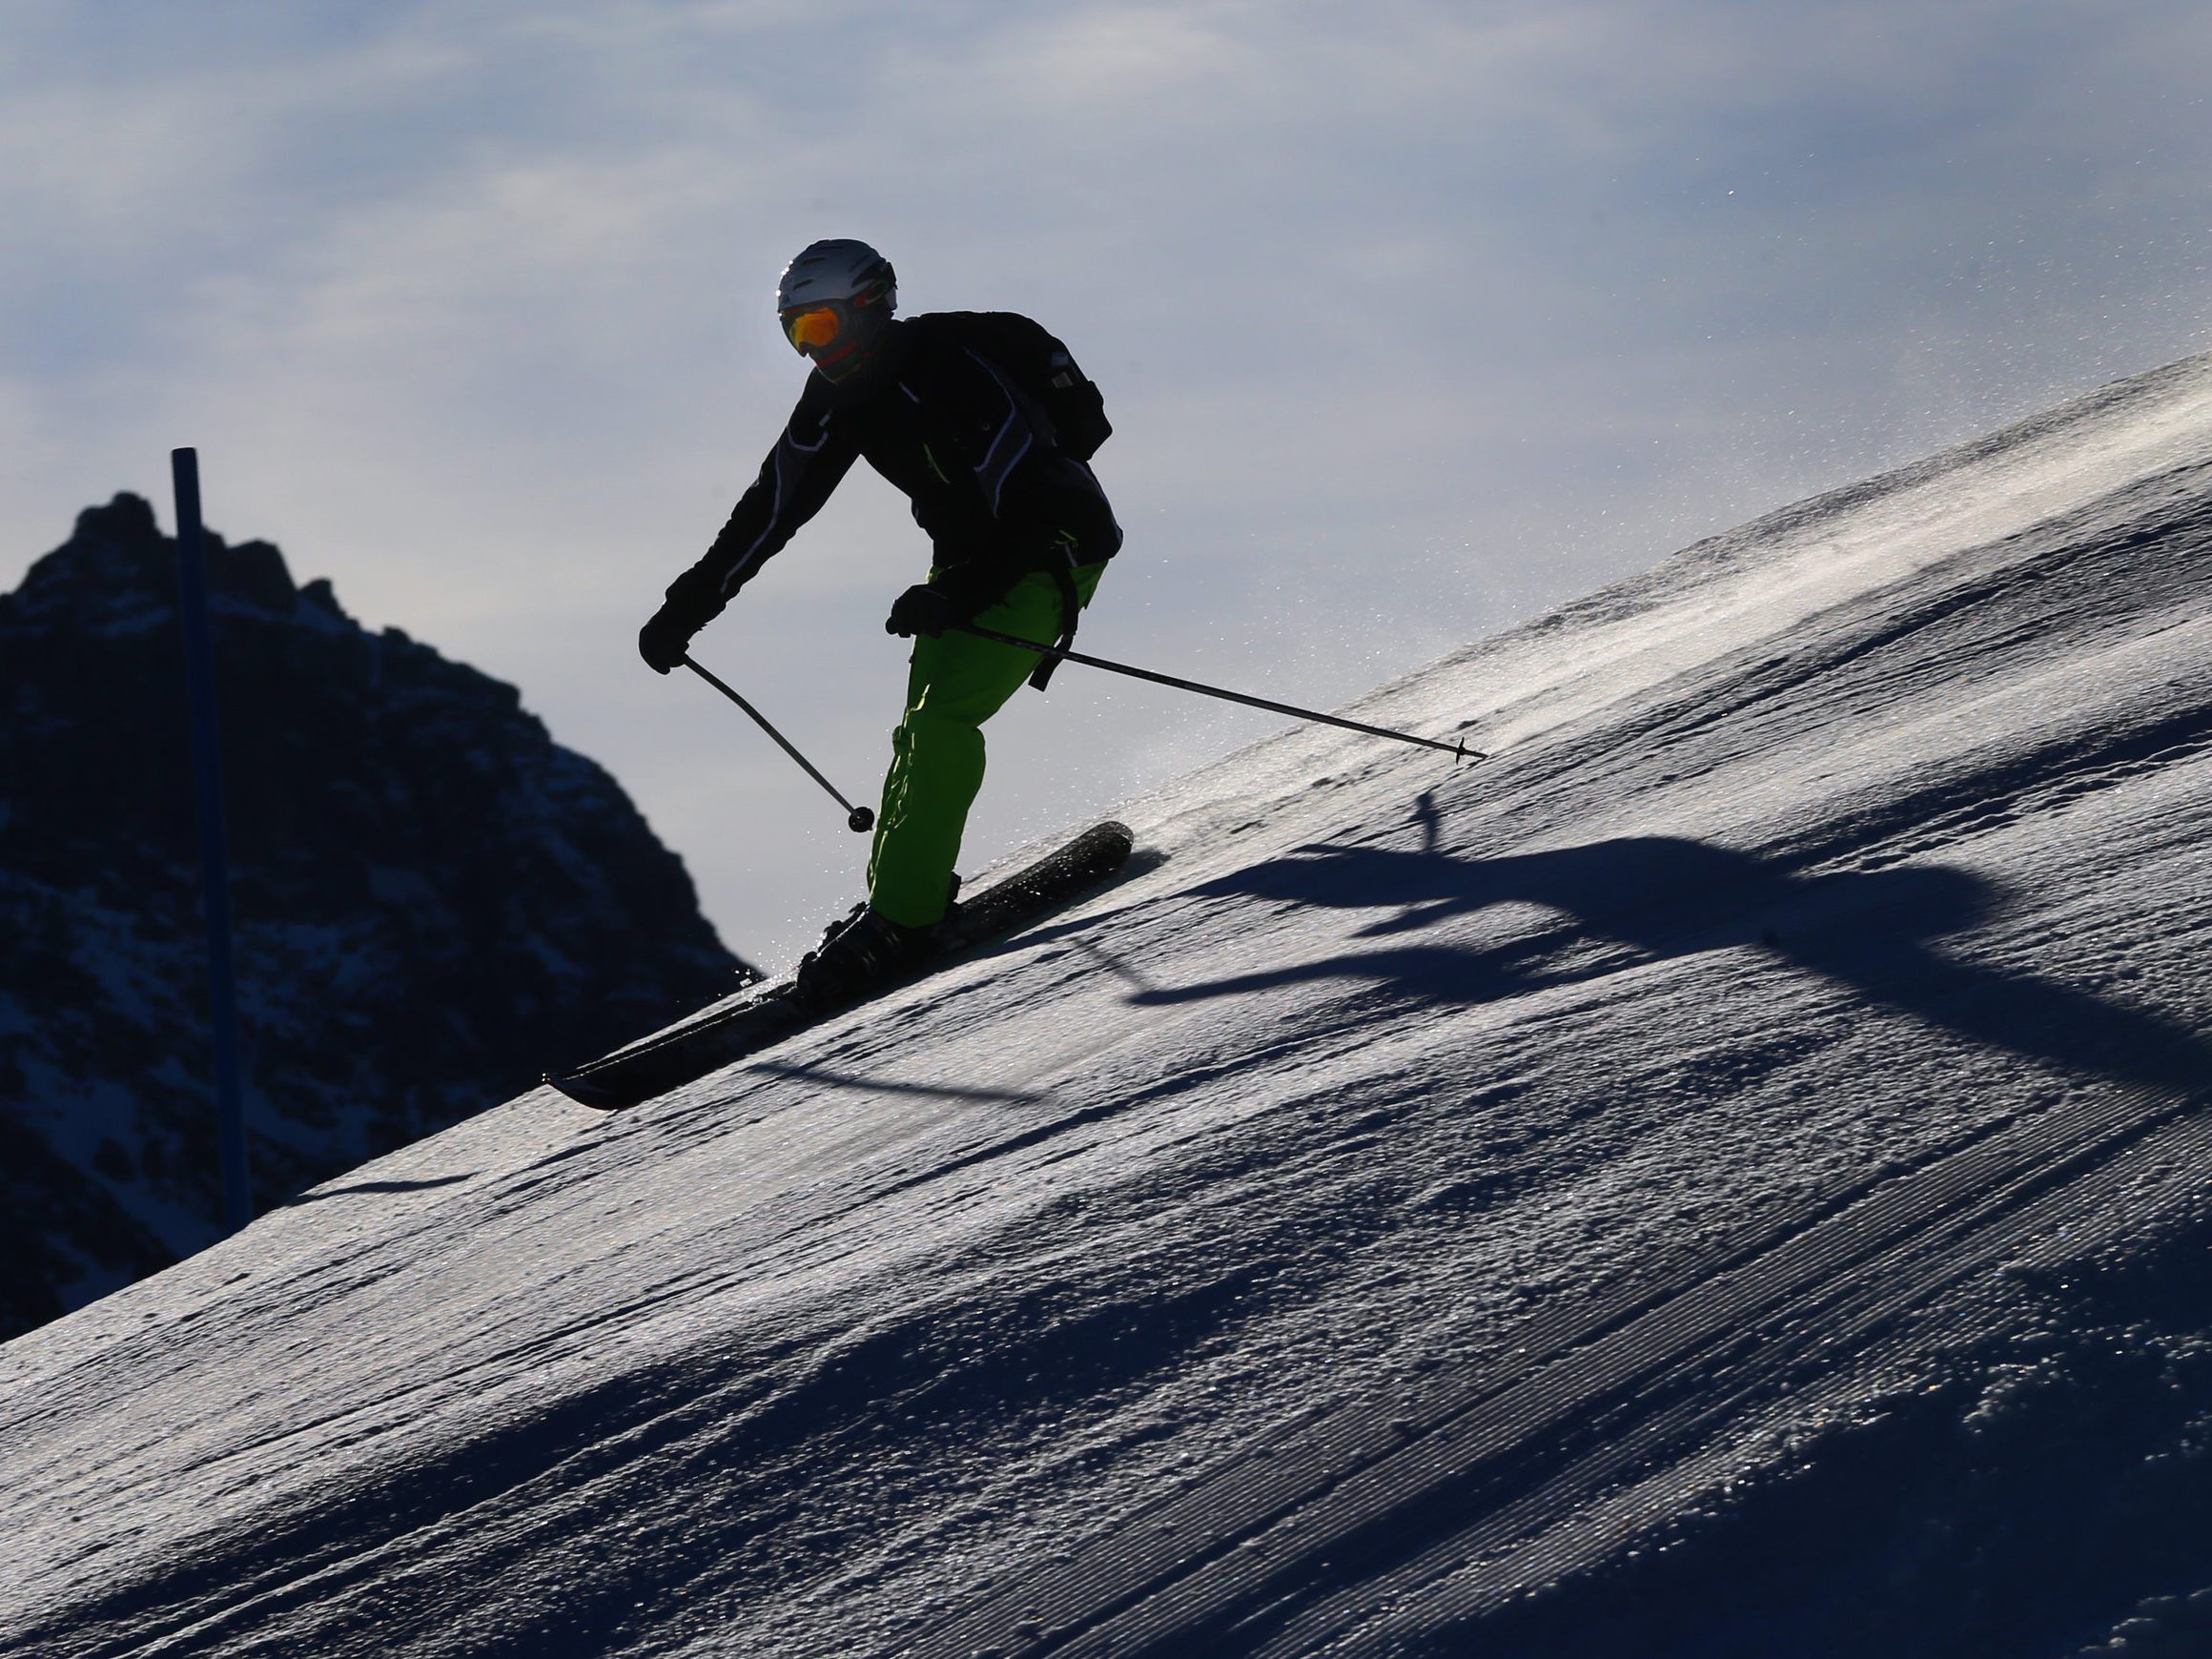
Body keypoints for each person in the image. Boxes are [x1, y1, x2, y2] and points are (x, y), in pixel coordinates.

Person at [639, 238, 1121, 1005]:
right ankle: (896, 902)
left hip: (1050, 550)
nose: (811, 351)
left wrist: (963, 593)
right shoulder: (838, 400)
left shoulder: (947, 369)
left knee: (942, 724)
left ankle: (903, 916)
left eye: (820, 329)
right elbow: (771, 507)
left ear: (868, 309)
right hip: (965, 570)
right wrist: (686, 607)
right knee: (917, 733)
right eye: (796, 334)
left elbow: (1030, 493)